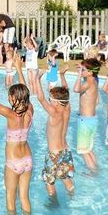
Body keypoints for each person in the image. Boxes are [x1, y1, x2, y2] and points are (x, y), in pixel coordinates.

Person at [0, 55, 33, 215]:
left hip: (13, 162)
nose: (8, 98)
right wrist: (19, 69)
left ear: (13, 98)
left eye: (10, 96)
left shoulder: (11, 115)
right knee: (24, 197)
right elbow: (25, 91)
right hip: (27, 160)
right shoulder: (30, 111)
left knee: (10, 199)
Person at [36, 69, 75, 197]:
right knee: (65, 179)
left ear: (57, 102)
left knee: (49, 182)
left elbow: (40, 98)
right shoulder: (67, 109)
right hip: (65, 151)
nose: (49, 101)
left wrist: (37, 79)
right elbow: (66, 91)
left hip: (54, 154)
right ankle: (72, 197)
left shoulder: (54, 112)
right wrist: (62, 76)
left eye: (51, 99)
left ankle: (53, 205)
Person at [73, 58, 100, 173]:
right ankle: (96, 169)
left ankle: (93, 173)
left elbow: (76, 89)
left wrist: (79, 74)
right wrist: (83, 67)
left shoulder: (88, 82)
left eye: (83, 69)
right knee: (88, 149)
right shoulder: (94, 81)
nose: (81, 70)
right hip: (91, 119)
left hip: (85, 120)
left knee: (83, 150)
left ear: (90, 72)